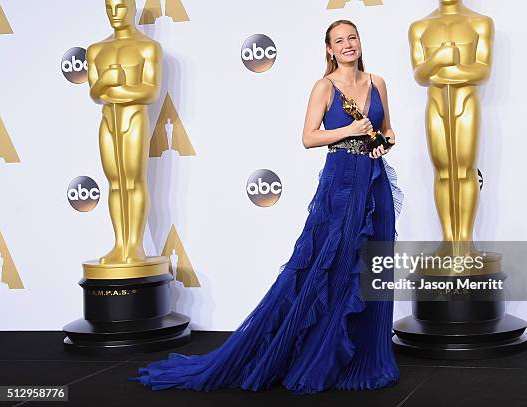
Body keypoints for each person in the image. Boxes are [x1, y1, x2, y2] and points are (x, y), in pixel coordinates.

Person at [130, 19, 403, 395]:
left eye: (351, 37)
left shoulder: (377, 83)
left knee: (372, 266)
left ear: (360, 41)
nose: (347, 45)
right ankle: (317, 354)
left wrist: (382, 142)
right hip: (340, 184)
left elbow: (388, 128)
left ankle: (363, 356)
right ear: (329, 50)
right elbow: (309, 137)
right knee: (329, 266)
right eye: (338, 41)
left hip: (375, 184)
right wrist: (349, 131)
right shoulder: (324, 87)